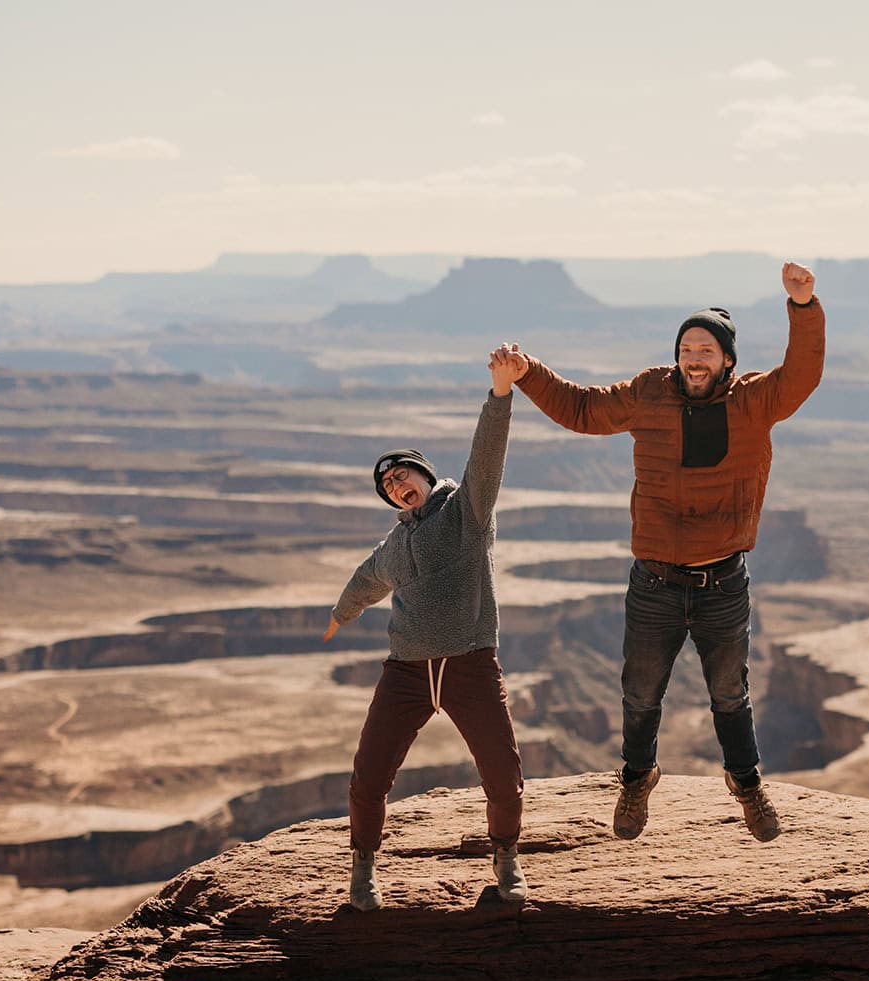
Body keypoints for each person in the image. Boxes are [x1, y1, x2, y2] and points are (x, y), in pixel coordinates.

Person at [494, 262, 823, 842]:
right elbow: (582, 408)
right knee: (640, 693)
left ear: (726, 360)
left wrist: (801, 306)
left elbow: (802, 374)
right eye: (686, 348)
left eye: (706, 350)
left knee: (730, 694)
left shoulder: (754, 402)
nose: (694, 358)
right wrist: (528, 373)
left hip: (723, 582)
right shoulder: (650, 393)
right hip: (654, 583)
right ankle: (637, 780)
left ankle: (747, 787)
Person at [323, 344, 530, 910]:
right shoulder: (394, 544)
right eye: (387, 485)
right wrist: (341, 616)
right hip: (406, 673)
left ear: (424, 474)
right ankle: (363, 866)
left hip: (469, 664)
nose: (396, 485)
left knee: (503, 776)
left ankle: (507, 859)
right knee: (368, 776)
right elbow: (365, 580)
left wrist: (500, 394)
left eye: (402, 474)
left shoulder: (467, 513)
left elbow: (486, 457)